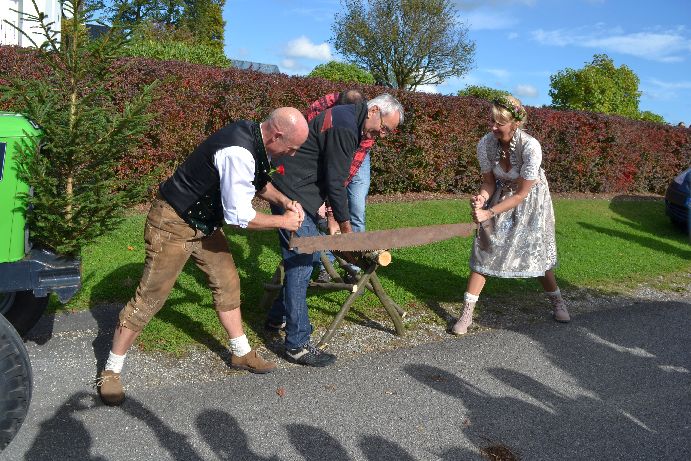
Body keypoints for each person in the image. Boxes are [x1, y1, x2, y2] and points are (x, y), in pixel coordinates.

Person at [95, 107, 309, 406]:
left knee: (227, 282)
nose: (293, 154)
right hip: (172, 223)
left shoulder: (255, 138)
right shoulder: (239, 151)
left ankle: (240, 352)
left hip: (204, 224)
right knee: (150, 298)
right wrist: (283, 222)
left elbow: (259, 182)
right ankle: (111, 370)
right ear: (277, 135)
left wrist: (285, 201)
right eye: (292, 147)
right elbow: (239, 217)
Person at [266, 94, 404, 367]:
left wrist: (332, 219)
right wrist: (345, 229)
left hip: (297, 188)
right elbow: (337, 182)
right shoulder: (346, 127)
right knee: (301, 264)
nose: (383, 134)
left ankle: (277, 317)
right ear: (374, 110)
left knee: (306, 260)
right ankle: (297, 345)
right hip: (292, 192)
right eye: (384, 128)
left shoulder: (347, 118)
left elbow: (330, 173)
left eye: (388, 132)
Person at [451, 95, 570, 336]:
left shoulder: (531, 146)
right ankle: (467, 313)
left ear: (515, 123)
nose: (493, 127)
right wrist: (481, 199)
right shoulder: (485, 144)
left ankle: (558, 302)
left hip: (531, 201)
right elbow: (489, 183)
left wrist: (489, 212)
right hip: (501, 195)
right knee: (485, 247)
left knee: (535, 254)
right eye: (492, 121)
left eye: (500, 123)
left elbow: (522, 193)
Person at [304, 89, 376, 283]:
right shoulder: (322, 107)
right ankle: (325, 267)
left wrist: (334, 208)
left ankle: (354, 264)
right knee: (320, 214)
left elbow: (342, 176)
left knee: (357, 208)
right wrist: (325, 203)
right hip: (329, 150)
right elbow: (308, 140)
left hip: (354, 155)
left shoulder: (368, 121)